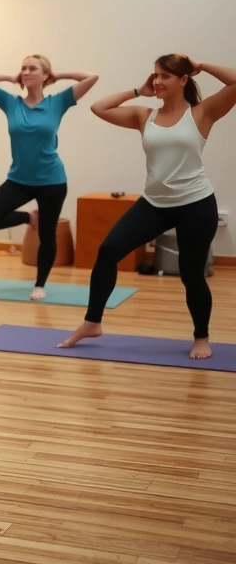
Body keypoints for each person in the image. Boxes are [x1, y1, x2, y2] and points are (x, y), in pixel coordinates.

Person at [59, 55, 234, 359]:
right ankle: (92, 322)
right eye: (155, 75)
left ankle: (201, 337)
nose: (158, 81)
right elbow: (98, 107)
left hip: (196, 203)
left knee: (191, 274)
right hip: (155, 202)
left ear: (184, 80)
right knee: (108, 250)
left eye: (166, 76)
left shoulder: (203, 113)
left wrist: (202, 65)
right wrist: (139, 91)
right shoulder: (145, 116)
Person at [0, 56, 99, 300]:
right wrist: (10, 78)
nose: (26, 71)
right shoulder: (11, 103)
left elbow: (92, 77)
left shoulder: (58, 102)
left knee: (47, 235)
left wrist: (58, 76)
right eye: (23, 68)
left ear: (45, 75)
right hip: (18, 179)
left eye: (32, 68)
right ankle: (28, 217)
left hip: (52, 181)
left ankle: (39, 284)